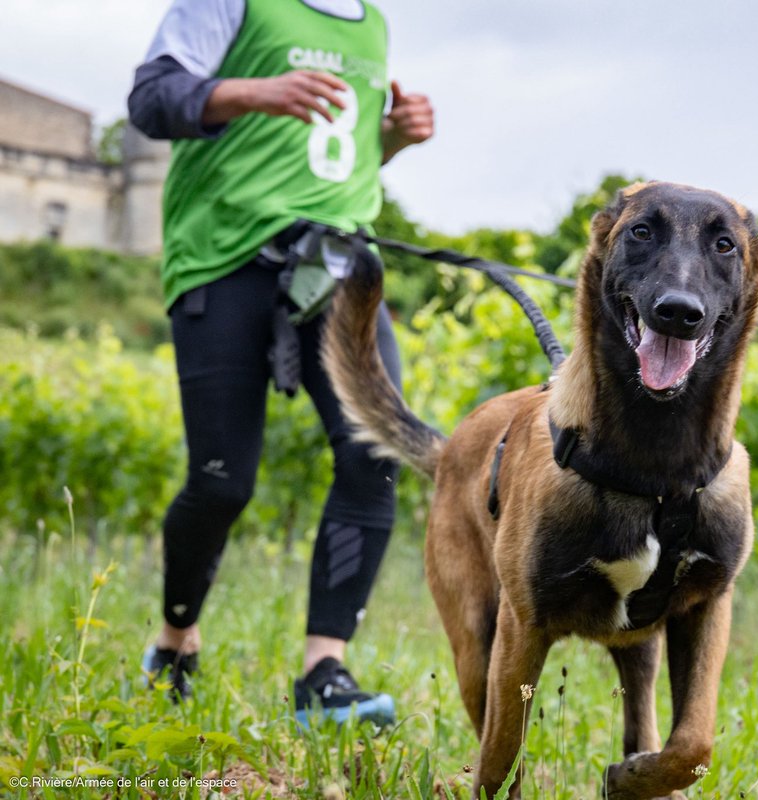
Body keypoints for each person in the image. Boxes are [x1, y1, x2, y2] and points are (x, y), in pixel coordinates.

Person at [127, 0, 434, 726]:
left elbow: (337, 156)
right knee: (221, 481)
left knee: (374, 452)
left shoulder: (370, 23)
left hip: (338, 261)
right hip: (224, 257)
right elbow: (150, 100)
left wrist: (389, 139)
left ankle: (324, 674)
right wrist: (253, 91)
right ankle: (175, 639)